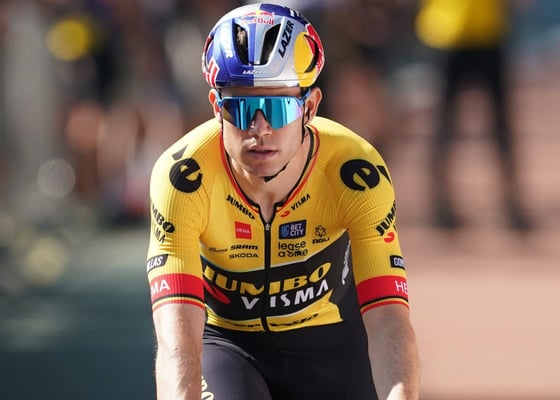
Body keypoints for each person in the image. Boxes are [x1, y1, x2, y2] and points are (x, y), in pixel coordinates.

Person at [146, 3, 420, 400]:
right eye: (241, 108)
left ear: (309, 107)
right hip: (229, 346)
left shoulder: (354, 171)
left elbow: (389, 318)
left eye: (278, 108)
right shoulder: (184, 178)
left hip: (331, 343)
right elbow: (177, 343)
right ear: (216, 107)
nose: (260, 129)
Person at [415, 0, 532, 230]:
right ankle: (439, 204)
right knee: (445, 126)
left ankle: (511, 201)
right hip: (447, 35)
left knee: (500, 126)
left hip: (487, 34)